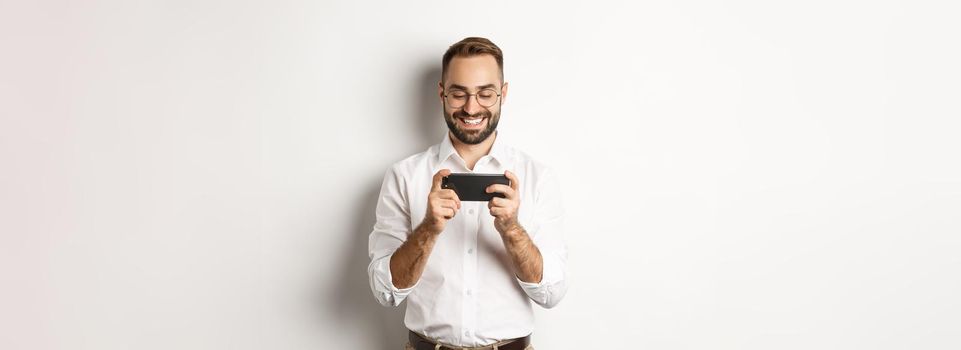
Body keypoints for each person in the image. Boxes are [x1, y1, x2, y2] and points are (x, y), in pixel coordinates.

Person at [367, 37, 568, 350]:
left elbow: (551, 293)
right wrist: (428, 229)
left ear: (503, 94)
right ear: (441, 94)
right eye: (458, 94)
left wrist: (512, 230)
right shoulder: (404, 176)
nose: (471, 108)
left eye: (485, 94)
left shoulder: (537, 177)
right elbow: (385, 293)